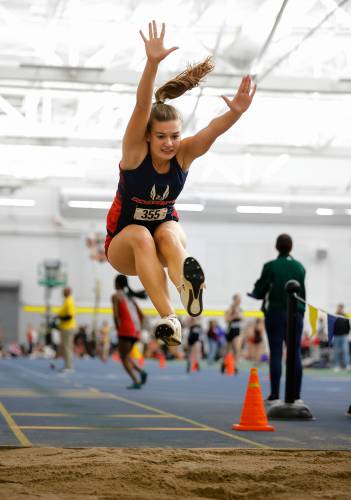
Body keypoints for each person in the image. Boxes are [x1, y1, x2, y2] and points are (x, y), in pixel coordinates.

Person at [105, 20, 256, 347]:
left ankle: (186, 287)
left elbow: (210, 131)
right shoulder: (135, 153)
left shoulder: (183, 155)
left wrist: (236, 114)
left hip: (162, 237)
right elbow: (143, 105)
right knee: (143, 233)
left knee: (169, 231)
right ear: (148, 136)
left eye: (175, 135)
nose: (170, 143)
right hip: (123, 244)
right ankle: (167, 315)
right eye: (161, 137)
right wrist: (152, 64)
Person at [249, 234, 306, 404]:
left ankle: (275, 394)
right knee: (295, 353)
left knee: (276, 352)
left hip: (275, 313)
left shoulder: (270, 266)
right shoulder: (300, 267)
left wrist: (255, 293)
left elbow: (261, 289)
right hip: (297, 313)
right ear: (291, 247)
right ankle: (296, 396)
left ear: (276, 247)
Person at [112, 274, 148, 389]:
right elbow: (142, 315)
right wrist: (139, 329)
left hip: (126, 329)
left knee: (123, 357)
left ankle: (136, 380)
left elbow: (116, 315)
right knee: (126, 355)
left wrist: (118, 329)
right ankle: (141, 371)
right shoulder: (130, 297)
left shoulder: (116, 296)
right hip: (135, 330)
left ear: (117, 284)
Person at [56, 287, 77, 372]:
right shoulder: (66, 300)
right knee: (65, 347)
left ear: (68, 292)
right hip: (65, 327)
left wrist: (60, 317)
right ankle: (66, 365)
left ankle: (69, 367)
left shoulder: (69, 301)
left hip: (68, 327)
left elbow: (69, 316)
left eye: (64, 291)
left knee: (68, 347)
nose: (63, 293)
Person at [224, 294, 244, 372]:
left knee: (237, 348)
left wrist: (239, 316)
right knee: (228, 350)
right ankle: (225, 364)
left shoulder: (240, 309)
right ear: (234, 300)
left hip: (237, 330)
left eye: (240, 300)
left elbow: (243, 318)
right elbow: (226, 319)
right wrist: (233, 316)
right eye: (238, 299)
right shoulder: (230, 309)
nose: (239, 301)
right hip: (230, 330)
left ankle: (235, 366)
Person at [332, 303, 351, 371]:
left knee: (345, 351)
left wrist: (347, 333)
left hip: (344, 336)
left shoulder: (345, 316)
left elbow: (348, 326)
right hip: (336, 336)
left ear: (343, 309)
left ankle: (347, 365)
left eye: (341, 308)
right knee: (336, 351)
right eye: (339, 308)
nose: (340, 309)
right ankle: (337, 365)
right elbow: (332, 326)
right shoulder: (334, 316)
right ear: (337, 308)